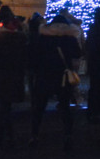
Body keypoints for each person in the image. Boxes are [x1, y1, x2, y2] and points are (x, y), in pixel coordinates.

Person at [29, 9, 83, 150]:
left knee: (40, 106)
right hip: (62, 75)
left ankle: (34, 134)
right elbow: (78, 53)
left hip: (45, 74)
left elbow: (35, 54)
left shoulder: (44, 37)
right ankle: (68, 134)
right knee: (64, 106)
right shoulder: (69, 37)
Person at [0, 11, 28, 147]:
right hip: (15, 76)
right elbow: (25, 59)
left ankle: (4, 135)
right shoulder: (21, 40)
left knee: (4, 106)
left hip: (2, 76)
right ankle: (6, 135)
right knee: (7, 106)